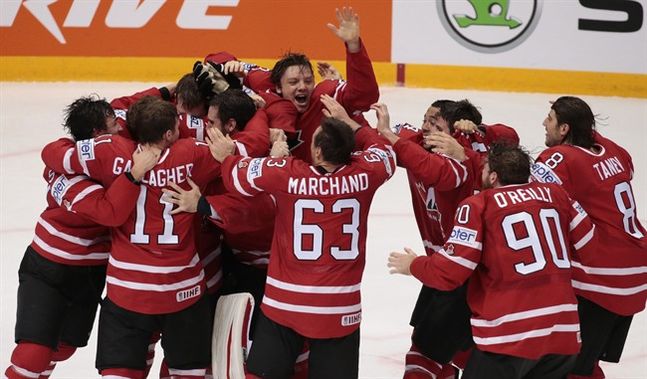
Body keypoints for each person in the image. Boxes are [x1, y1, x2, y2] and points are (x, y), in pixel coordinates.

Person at [201, 95, 395, 378]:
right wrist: (351, 124)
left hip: (285, 304)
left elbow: (238, 179)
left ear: (316, 153)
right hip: (338, 308)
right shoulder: (367, 173)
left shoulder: (286, 173)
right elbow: (383, 149)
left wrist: (229, 157)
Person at [40, 96, 222, 378]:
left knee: (120, 372)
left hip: (127, 291)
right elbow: (236, 156)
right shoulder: (192, 153)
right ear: (170, 133)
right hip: (182, 290)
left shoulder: (112, 151)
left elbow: (54, 155)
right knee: (191, 372)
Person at [389, 143, 598, 379]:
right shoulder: (557, 194)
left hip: (509, 334)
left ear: (494, 176)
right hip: (564, 331)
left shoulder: (479, 204)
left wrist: (413, 265)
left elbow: (450, 272)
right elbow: (591, 247)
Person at [4, 96, 158, 379]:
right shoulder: (74, 179)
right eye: (113, 127)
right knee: (33, 352)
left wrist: (165, 90)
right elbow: (110, 213)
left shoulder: (86, 153)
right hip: (48, 266)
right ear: (98, 135)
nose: (120, 131)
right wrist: (134, 174)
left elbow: (128, 107)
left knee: (64, 347)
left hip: (90, 271)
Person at [530, 96, 647, 379]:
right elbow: (625, 170)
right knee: (584, 364)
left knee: (561, 368)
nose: (543, 123)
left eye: (550, 118)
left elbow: (526, 194)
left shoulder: (559, 158)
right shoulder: (613, 150)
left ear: (564, 130)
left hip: (603, 279)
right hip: (636, 272)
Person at [207, 7, 379, 162]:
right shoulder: (263, 81)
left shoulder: (324, 96)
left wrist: (354, 47)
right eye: (294, 82)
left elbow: (365, 96)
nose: (303, 86)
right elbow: (213, 60)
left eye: (308, 81)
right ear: (278, 86)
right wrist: (227, 65)